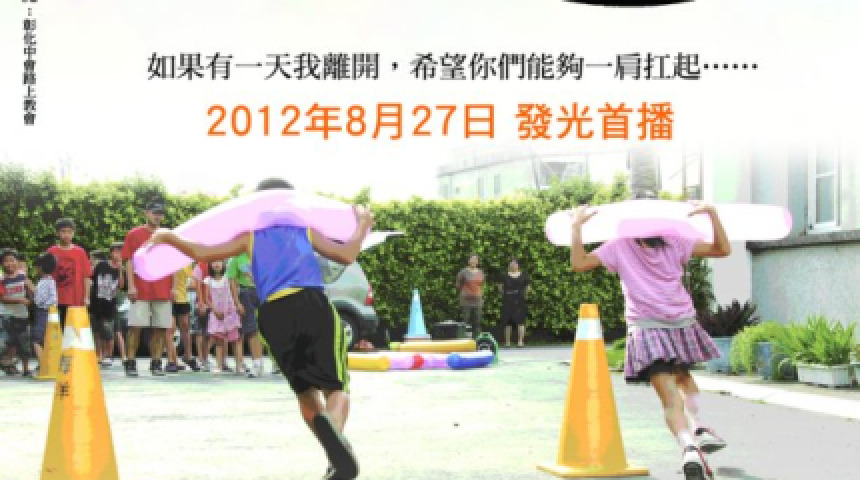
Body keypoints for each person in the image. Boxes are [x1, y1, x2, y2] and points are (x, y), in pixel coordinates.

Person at [146, 177, 372, 480]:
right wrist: (362, 225)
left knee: (305, 393)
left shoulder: (249, 238)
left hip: (273, 313)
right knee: (336, 387)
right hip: (311, 304)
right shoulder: (304, 230)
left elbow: (202, 253)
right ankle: (335, 436)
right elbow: (347, 255)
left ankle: (333, 458)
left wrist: (169, 237)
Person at [570, 202, 730, 480]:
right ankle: (699, 427)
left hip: (646, 328)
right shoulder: (675, 242)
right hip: (681, 322)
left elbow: (579, 263)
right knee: (684, 379)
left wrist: (576, 227)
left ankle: (689, 447)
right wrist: (712, 214)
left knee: (669, 396)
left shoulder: (618, 246)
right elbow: (722, 250)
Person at [122, 201, 174, 377]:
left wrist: (173, 287)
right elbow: (129, 261)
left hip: (163, 287)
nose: (157, 216)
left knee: (161, 328)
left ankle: (156, 363)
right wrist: (131, 286)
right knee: (135, 327)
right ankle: (130, 362)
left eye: (160, 213)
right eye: (154, 212)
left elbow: (172, 262)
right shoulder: (134, 234)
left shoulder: (167, 235)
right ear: (146, 213)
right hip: (141, 288)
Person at [47, 218, 92, 330]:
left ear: (73, 233)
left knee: (74, 330)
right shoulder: (51, 251)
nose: (66, 235)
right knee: (57, 330)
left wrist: (86, 297)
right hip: (56, 299)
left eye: (69, 232)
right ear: (57, 233)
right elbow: (46, 275)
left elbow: (86, 276)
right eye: (63, 231)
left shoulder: (80, 252)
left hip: (76, 299)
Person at [227, 251, 265, 378]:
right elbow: (232, 281)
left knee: (264, 329)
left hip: (263, 292)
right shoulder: (236, 257)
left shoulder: (261, 252)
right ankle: (257, 363)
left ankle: (261, 362)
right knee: (251, 329)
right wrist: (237, 302)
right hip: (246, 293)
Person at [0, 249, 34, 376]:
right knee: (5, 342)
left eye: (12, 260)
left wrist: (31, 296)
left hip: (21, 315)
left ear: (17, 262)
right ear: (2, 264)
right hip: (5, 315)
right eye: (6, 261)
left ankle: (26, 369)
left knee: (24, 342)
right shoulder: (1, 279)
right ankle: (8, 364)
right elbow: (2, 298)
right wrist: (20, 300)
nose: (9, 263)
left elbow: (31, 293)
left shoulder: (23, 277)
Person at [204, 260, 241, 374]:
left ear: (224, 264)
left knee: (235, 340)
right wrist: (214, 310)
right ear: (210, 265)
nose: (216, 264)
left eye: (219, 262)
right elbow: (207, 299)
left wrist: (237, 305)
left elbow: (234, 292)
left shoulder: (228, 278)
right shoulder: (208, 281)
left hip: (230, 313)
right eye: (214, 262)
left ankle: (239, 365)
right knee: (219, 341)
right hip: (217, 314)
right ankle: (219, 365)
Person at [90, 243, 124, 367]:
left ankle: (109, 355)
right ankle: (98, 355)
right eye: (116, 251)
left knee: (109, 332)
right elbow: (91, 278)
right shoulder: (101, 265)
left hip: (110, 304)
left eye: (120, 252)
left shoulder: (121, 268)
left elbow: (121, 286)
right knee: (97, 331)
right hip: (97, 302)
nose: (118, 254)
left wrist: (120, 270)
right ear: (111, 253)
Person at [32, 252, 58, 370]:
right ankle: (47, 363)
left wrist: (33, 293)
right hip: (50, 312)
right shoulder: (50, 280)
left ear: (40, 267)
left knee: (36, 339)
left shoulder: (44, 282)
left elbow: (40, 300)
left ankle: (43, 365)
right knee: (46, 339)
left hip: (43, 311)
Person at [172, 263, 199, 371]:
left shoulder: (186, 262)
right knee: (171, 329)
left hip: (183, 298)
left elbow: (191, 282)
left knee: (185, 327)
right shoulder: (166, 260)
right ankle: (173, 360)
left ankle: (188, 356)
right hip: (169, 299)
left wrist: (185, 285)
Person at [499, 259, 529, 348]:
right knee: (507, 322)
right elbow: (500, 288)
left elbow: (527, 287)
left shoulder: (523, 276)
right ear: (509, 265)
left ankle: (520, 342)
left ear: (518, 265)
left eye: (515, 264)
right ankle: (507, 342)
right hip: (507, 301)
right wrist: (507, 295)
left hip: (520, 301)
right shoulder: (504, 276)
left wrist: (522, 295)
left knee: (521, 322)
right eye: (511, 264)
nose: (513, 266)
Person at [456, 254, 485, 338]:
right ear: (468, 261)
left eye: (475, 260)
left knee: (477, 321)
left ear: (477, 262)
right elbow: (458, 284)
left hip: (477, 300)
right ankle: (463, 339)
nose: (473, 261)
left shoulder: (481, 272)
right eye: (472, 259)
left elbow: (481, 284)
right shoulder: (463, 272)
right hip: (466, 300)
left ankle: (476, 339)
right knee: (465, 320)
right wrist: (465, 292)